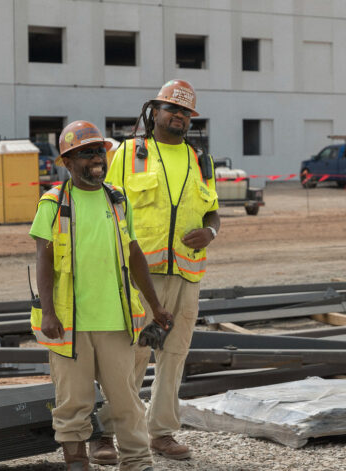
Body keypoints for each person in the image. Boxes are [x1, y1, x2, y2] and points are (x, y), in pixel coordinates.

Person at [30, 120, 172, 471]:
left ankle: (138, 463)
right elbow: (43, 260)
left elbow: (135, 254)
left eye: (98, 151)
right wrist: (48, 313)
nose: (96, 158)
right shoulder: (53, 203)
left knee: (125, 402)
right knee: (72, 404)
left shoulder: (118, 200)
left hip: (115, 322)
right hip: (69, 326)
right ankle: (77, 463)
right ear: (67, 162)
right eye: (85, 153)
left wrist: (155, 305)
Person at [101, 79, 220, 461]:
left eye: (186, 112)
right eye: (172, 109)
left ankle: (162, 433)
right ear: (154, 112)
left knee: (174, 353)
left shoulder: (199, 159)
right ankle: (108, 430)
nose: (179, 117)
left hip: (186, 276)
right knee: (130, 353)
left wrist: (212, 230)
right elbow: (106, 208)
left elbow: (212, 209)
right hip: (139, 276)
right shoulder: (128, 154)